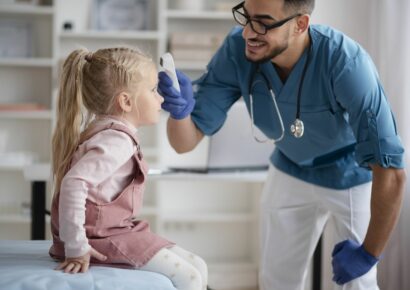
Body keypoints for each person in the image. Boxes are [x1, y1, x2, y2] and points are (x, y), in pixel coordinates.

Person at [157, 0, 406, 289]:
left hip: (350, 174)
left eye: (263, 22)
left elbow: (392, 172)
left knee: (359, 282)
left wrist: (368, 254)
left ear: (300, 24)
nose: (249, 32)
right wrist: (180, 112)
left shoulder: (345, 62)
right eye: (246, 17)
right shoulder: (237, 49)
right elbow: (184, 143)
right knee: (276, 281)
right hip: (289, 167)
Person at [49, 47, 208, 290]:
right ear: (125, 101)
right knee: (192, 277)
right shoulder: (116, 141)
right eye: (153, 90)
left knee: (198, 265)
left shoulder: (105, 130)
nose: (161, 98)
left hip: (115, 230)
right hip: (100, 238)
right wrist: (76, 246)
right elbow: (74, 183)